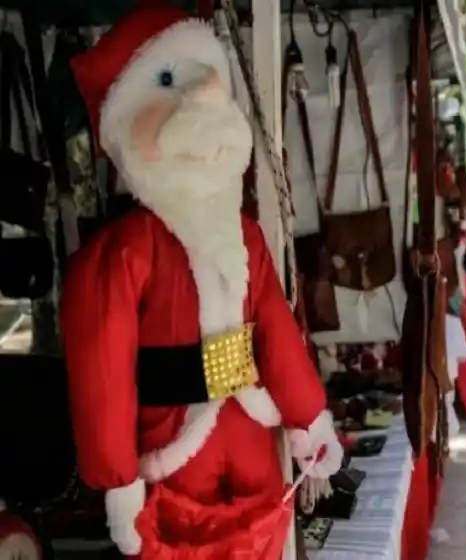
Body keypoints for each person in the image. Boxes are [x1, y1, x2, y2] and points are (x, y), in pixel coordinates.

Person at [60, 6, 342, 556]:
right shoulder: (124, 252)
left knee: (265, 538)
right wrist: (118, 479)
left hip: (254, 433)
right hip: (172, 449)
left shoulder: (245, 235)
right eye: (169, 78)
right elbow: (103, 374)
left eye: (209, 75)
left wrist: (309, 417)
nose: (209, 91)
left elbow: (276, 332)